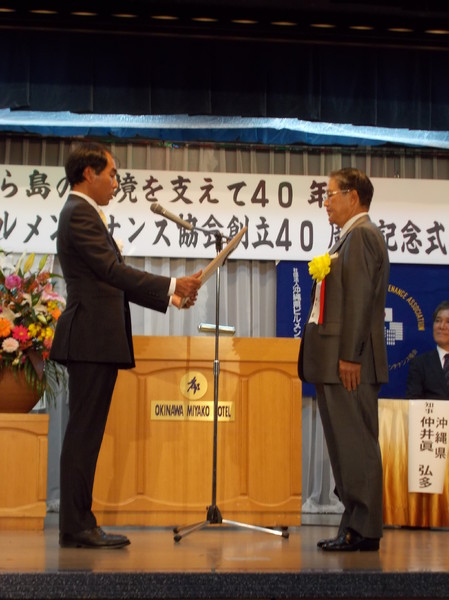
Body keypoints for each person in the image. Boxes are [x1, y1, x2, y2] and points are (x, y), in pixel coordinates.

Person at [50, 142, 202, 549]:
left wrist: (171, 297)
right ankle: (76, 527)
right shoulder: (79, 212)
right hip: (89, 339)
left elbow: (110, 277)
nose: (116, 182)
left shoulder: (84, 213)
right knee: (83, 434)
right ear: (89, 174)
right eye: (112, 174)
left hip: (95, 340)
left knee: (86, 434)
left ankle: (79, 524)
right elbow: (112, 270)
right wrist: (173, 284)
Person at [298, 168, 389, 552]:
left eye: (331, 194)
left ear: (353, 197)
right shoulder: (349, 237)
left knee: (356, 445)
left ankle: (364, 529)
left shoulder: (363, 236)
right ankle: (352, 524)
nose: (326, 202)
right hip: (337, 362)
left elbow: (359, 301)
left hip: (350, 364)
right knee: (343, 446)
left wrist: (351, 357)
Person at [406, 300, 449, 400]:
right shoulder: (419, 364)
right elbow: (413, 402)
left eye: (448, 322)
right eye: (438, 321)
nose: (441, 326)